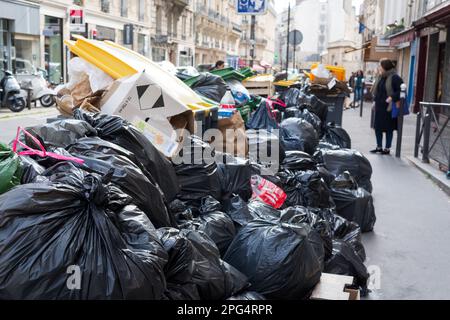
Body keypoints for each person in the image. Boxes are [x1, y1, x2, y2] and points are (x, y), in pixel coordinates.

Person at [370, 58, 403, 155]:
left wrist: (392, 97)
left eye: (380, 65)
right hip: (380, 106)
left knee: (389, 128)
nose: (379, 67)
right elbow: (378, 91)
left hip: (389, 107)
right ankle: (379, 147)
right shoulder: (380, 77)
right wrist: (374, 102)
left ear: (385, 66)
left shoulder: (395, 77)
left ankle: (387, 148)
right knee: (377, 128)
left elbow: (401, 90)